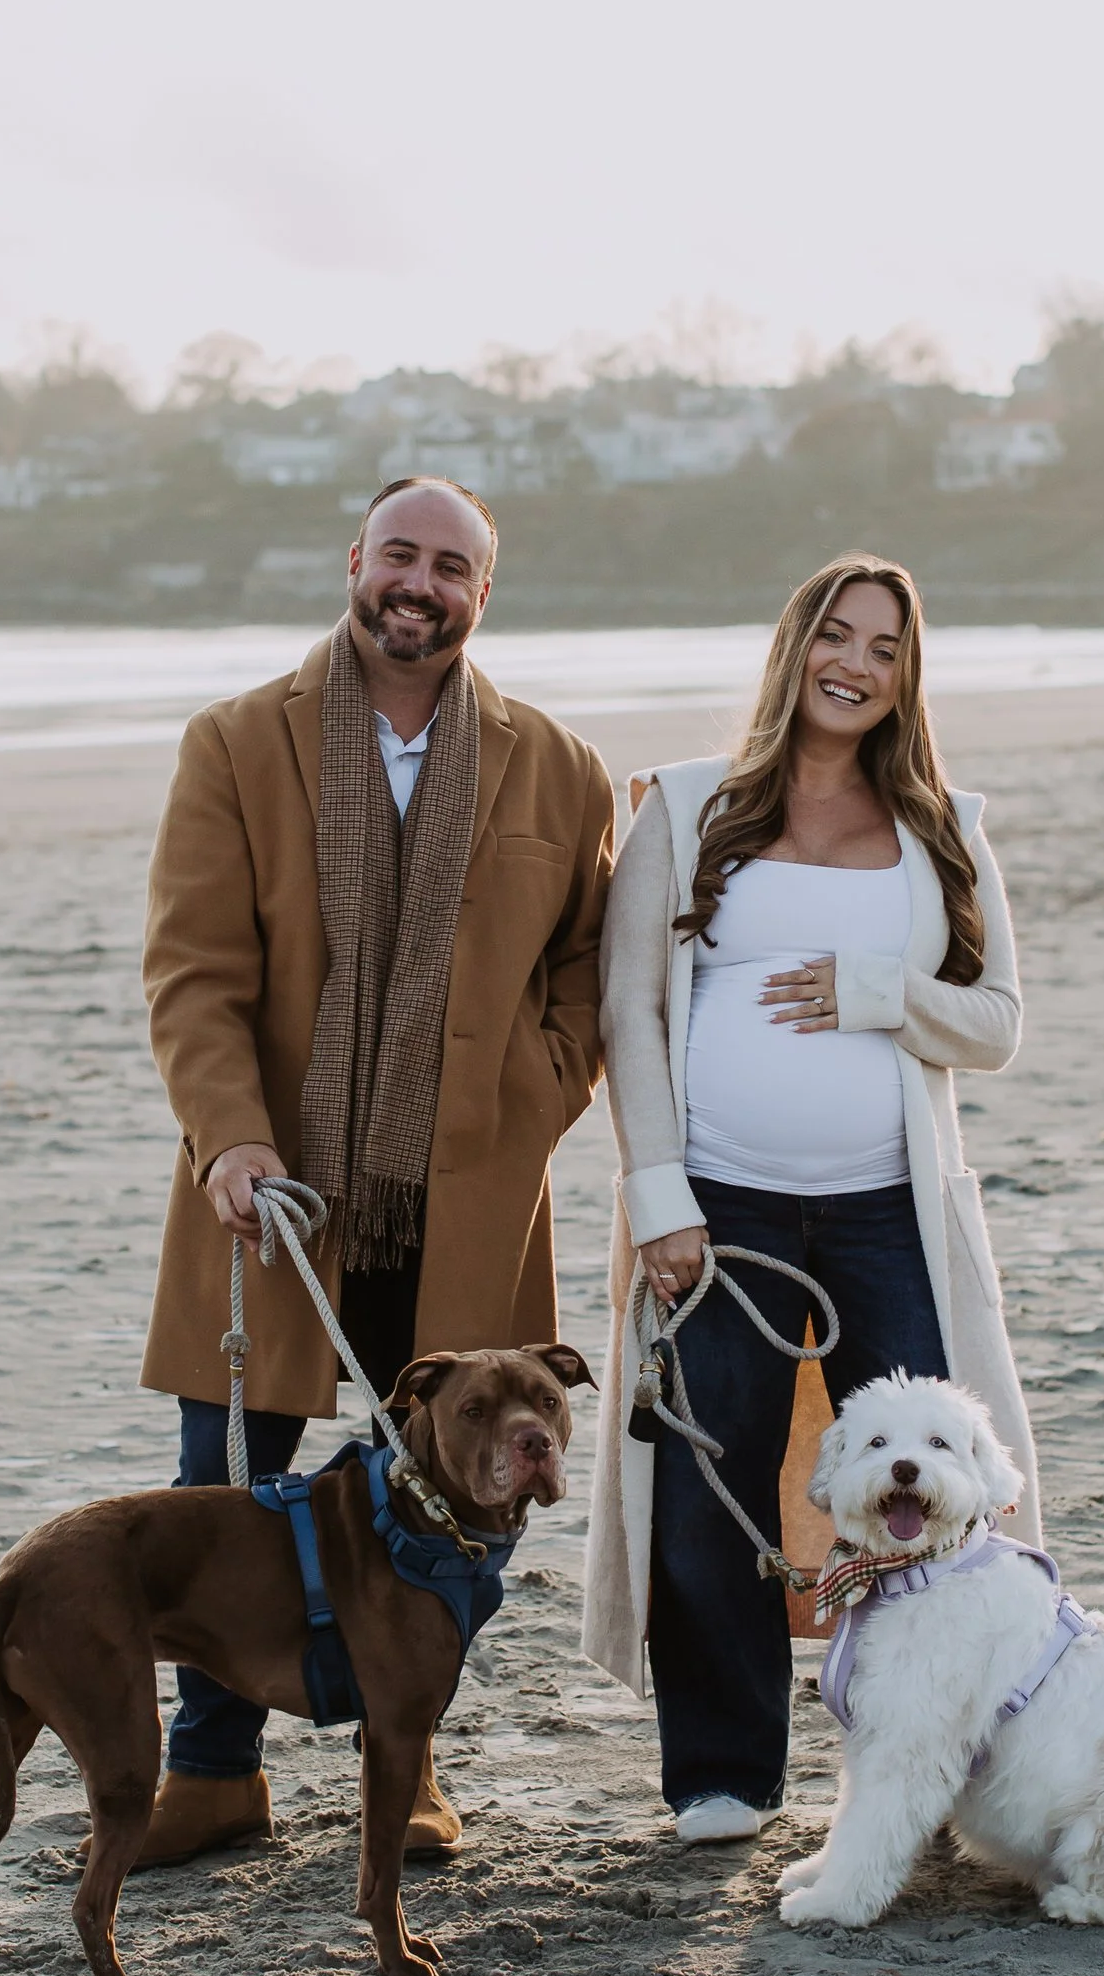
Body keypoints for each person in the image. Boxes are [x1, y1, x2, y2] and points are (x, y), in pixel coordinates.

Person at [137, 475, 614, 1866]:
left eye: (450, 564)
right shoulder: (234, 742)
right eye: (398, 553)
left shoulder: (561, 765)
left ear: (483, 591)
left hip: (468, 1184)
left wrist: (537, 1091)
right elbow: (193, 971)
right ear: (354, 561)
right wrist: (229, 1135)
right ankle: (215, 1772)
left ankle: (405, 1770)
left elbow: (586, 965)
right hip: (274, 1192)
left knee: (459, 1501)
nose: (420, 581)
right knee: (226, 1493)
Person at [583, 553, 1042, 1840]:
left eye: (884, 649)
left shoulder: (941, 827)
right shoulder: (684, 805)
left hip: (886, 1209)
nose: (855, 663)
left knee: (928, 1494)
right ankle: (726, 1777)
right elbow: (627, 1005)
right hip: (714, 1210)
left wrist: (876, 994)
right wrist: (658, 1190)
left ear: (907, 678)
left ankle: (939, 1757)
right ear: (795, 646)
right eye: (836, 636)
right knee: (704, 1481)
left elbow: (997, 1022)